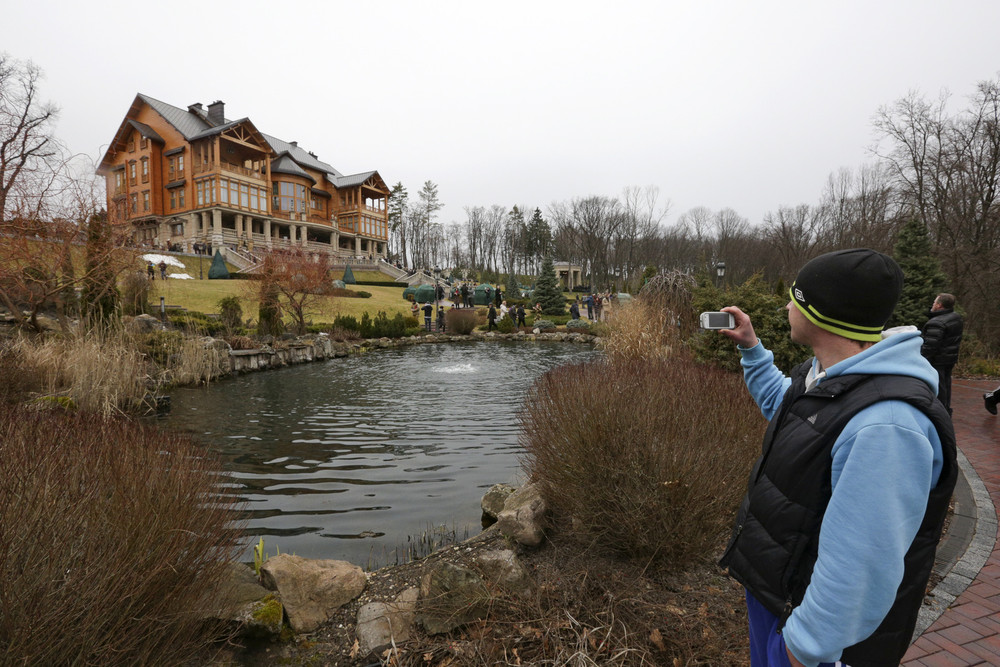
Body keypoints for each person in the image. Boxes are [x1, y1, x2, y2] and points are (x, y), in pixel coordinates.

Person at [716, 248, 956, 667]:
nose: (788, 305)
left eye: (796, 297)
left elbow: (862, 564)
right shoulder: (828, 376)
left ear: (820, 314)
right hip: (783, 603)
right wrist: (752, 349)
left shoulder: (887, 424)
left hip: (814, 644)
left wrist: (803, 648)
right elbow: (790, 411)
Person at [920, 293, 964, 414]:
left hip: (938, 360)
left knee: (939, 388)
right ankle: (946, 410)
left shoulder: (937, 323)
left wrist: (921, 359)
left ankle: (941, 414)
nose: (932, 305)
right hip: (950, 359)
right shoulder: (956, 317)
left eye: (934, 302)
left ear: (939, 305)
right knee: (946, 385)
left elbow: (930, 346)